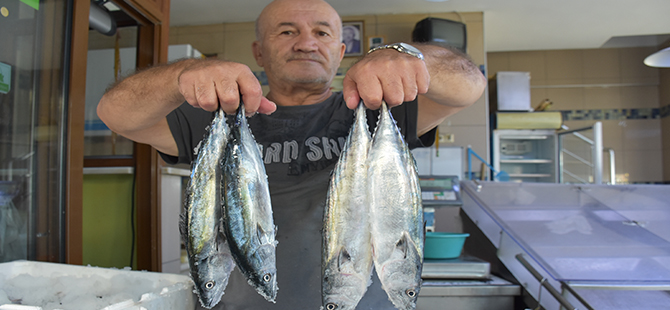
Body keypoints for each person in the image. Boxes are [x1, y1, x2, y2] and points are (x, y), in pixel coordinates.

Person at [97, 0, 486, 308]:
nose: (306, 42)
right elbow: (115, 114)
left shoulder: (379, 106)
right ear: (259, 51)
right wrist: (180, 75)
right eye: (287, 31)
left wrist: (404, 55)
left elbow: (468, 84)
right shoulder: (216, 114)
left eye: (321, 32)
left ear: (340, 48)